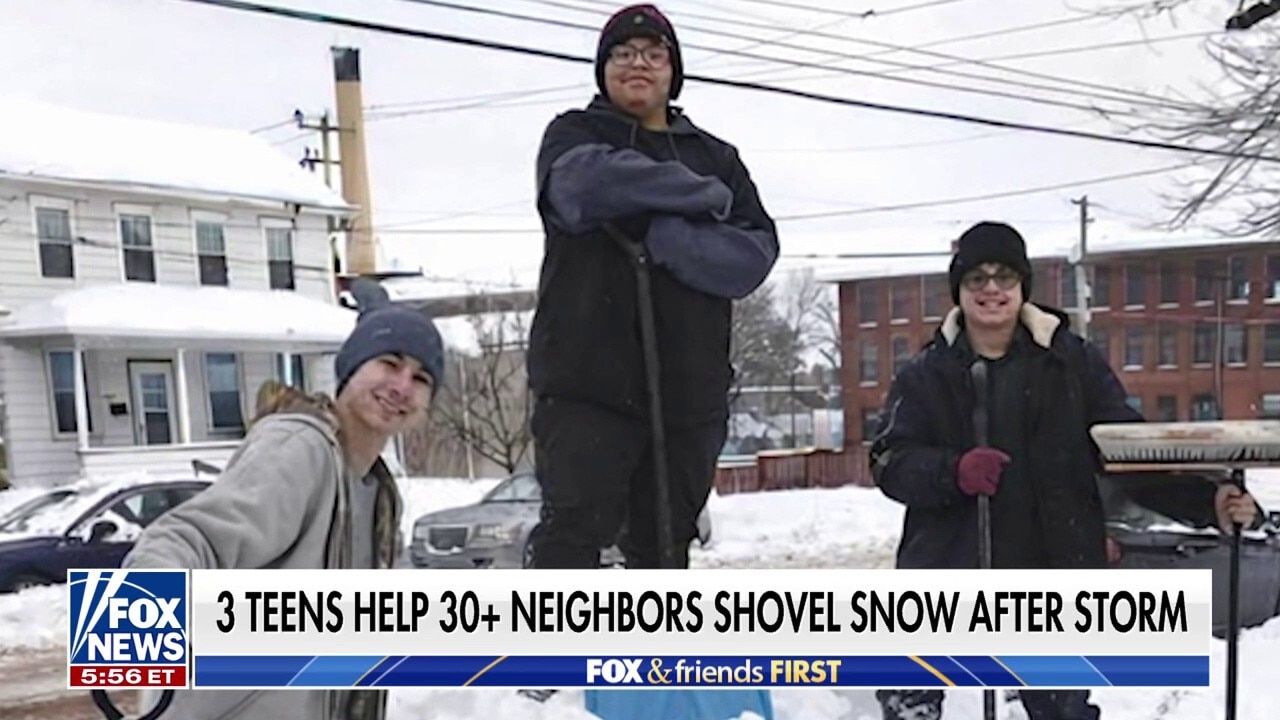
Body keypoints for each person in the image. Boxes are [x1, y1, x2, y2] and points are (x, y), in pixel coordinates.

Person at [867, 221, 1257, 720]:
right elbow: (888, 461)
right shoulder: (926, 374)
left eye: (1004, 276)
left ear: (1022, 286)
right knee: (910, 699)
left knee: (1062, 710)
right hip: (948, 567)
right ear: (959, 290)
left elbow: (1128, 451)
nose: (991, 289)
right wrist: (952, 471)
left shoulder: (1071, 365)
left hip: (1051, 568)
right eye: (976, 278)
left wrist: (1210, 500)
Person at [526, 3, 779, 571]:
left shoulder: (717, 157)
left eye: (652, 53)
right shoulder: (572, 134)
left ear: (673, 69)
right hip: (586, 388)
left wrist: (668, 237)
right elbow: (583, 188)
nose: (637, 63)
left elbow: (751, 256)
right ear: (603, 67)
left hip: (688, 395)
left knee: (664, 551)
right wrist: (697, 196)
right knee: (569, 542)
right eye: (622, 52)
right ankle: (544, 661)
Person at [122, 281, 444, 720]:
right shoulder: (299, 448)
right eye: (389, 363)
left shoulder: (378, 495)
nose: (402, 386)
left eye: (421, 378)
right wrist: (137, 627)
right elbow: (190, 537)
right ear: (350, 369)